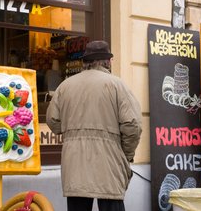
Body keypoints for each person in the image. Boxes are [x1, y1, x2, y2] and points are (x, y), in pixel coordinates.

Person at [46, 40, 142, 211]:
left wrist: (70, 129)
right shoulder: (117, 85)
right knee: (112, 205)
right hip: (109, 161)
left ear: (85, 62)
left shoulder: (65, 86)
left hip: (74, 163)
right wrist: (127, 155)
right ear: (107, 61)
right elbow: (132, 125)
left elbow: (53, 122)